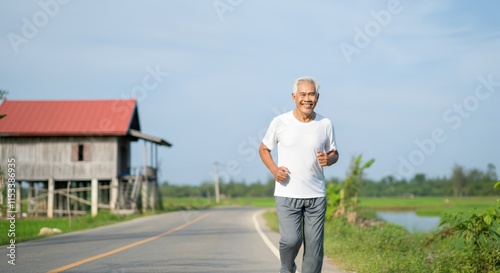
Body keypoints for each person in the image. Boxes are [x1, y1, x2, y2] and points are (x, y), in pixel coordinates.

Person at [259, 76, 339, 273]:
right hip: (287, 193)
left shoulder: (325, 124)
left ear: (317, 97)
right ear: (294, 97)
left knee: (314, 247)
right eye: (302, 94)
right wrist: (275, 170)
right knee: (291, 239)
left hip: (316, 195)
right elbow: (263, 149)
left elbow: (334, 153)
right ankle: (287, 268)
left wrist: (328, 160)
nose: (307, 98)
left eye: (311, 94)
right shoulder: (280, 122)